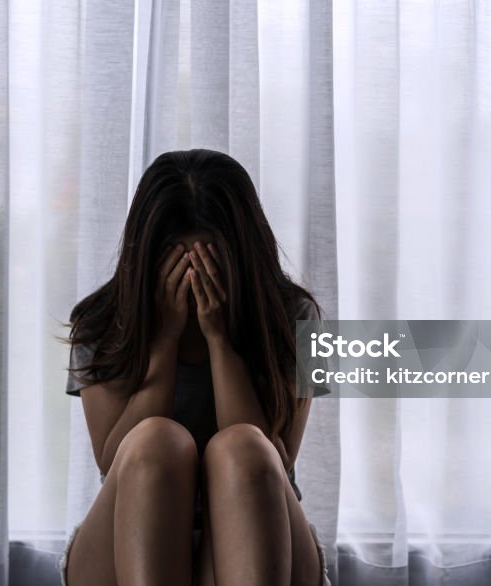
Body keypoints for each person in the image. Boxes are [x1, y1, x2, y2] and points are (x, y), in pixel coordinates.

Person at [59, 149, 331, 586]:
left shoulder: (293, 317)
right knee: (156, 440)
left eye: (207, 261)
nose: (191, 278)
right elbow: (113, 461)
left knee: (244, 445)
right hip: (132, 533)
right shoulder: (103, 321)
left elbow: (277, 460)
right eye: (176, 261)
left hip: (260, 533)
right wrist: (163, 341)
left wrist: (220, 340)